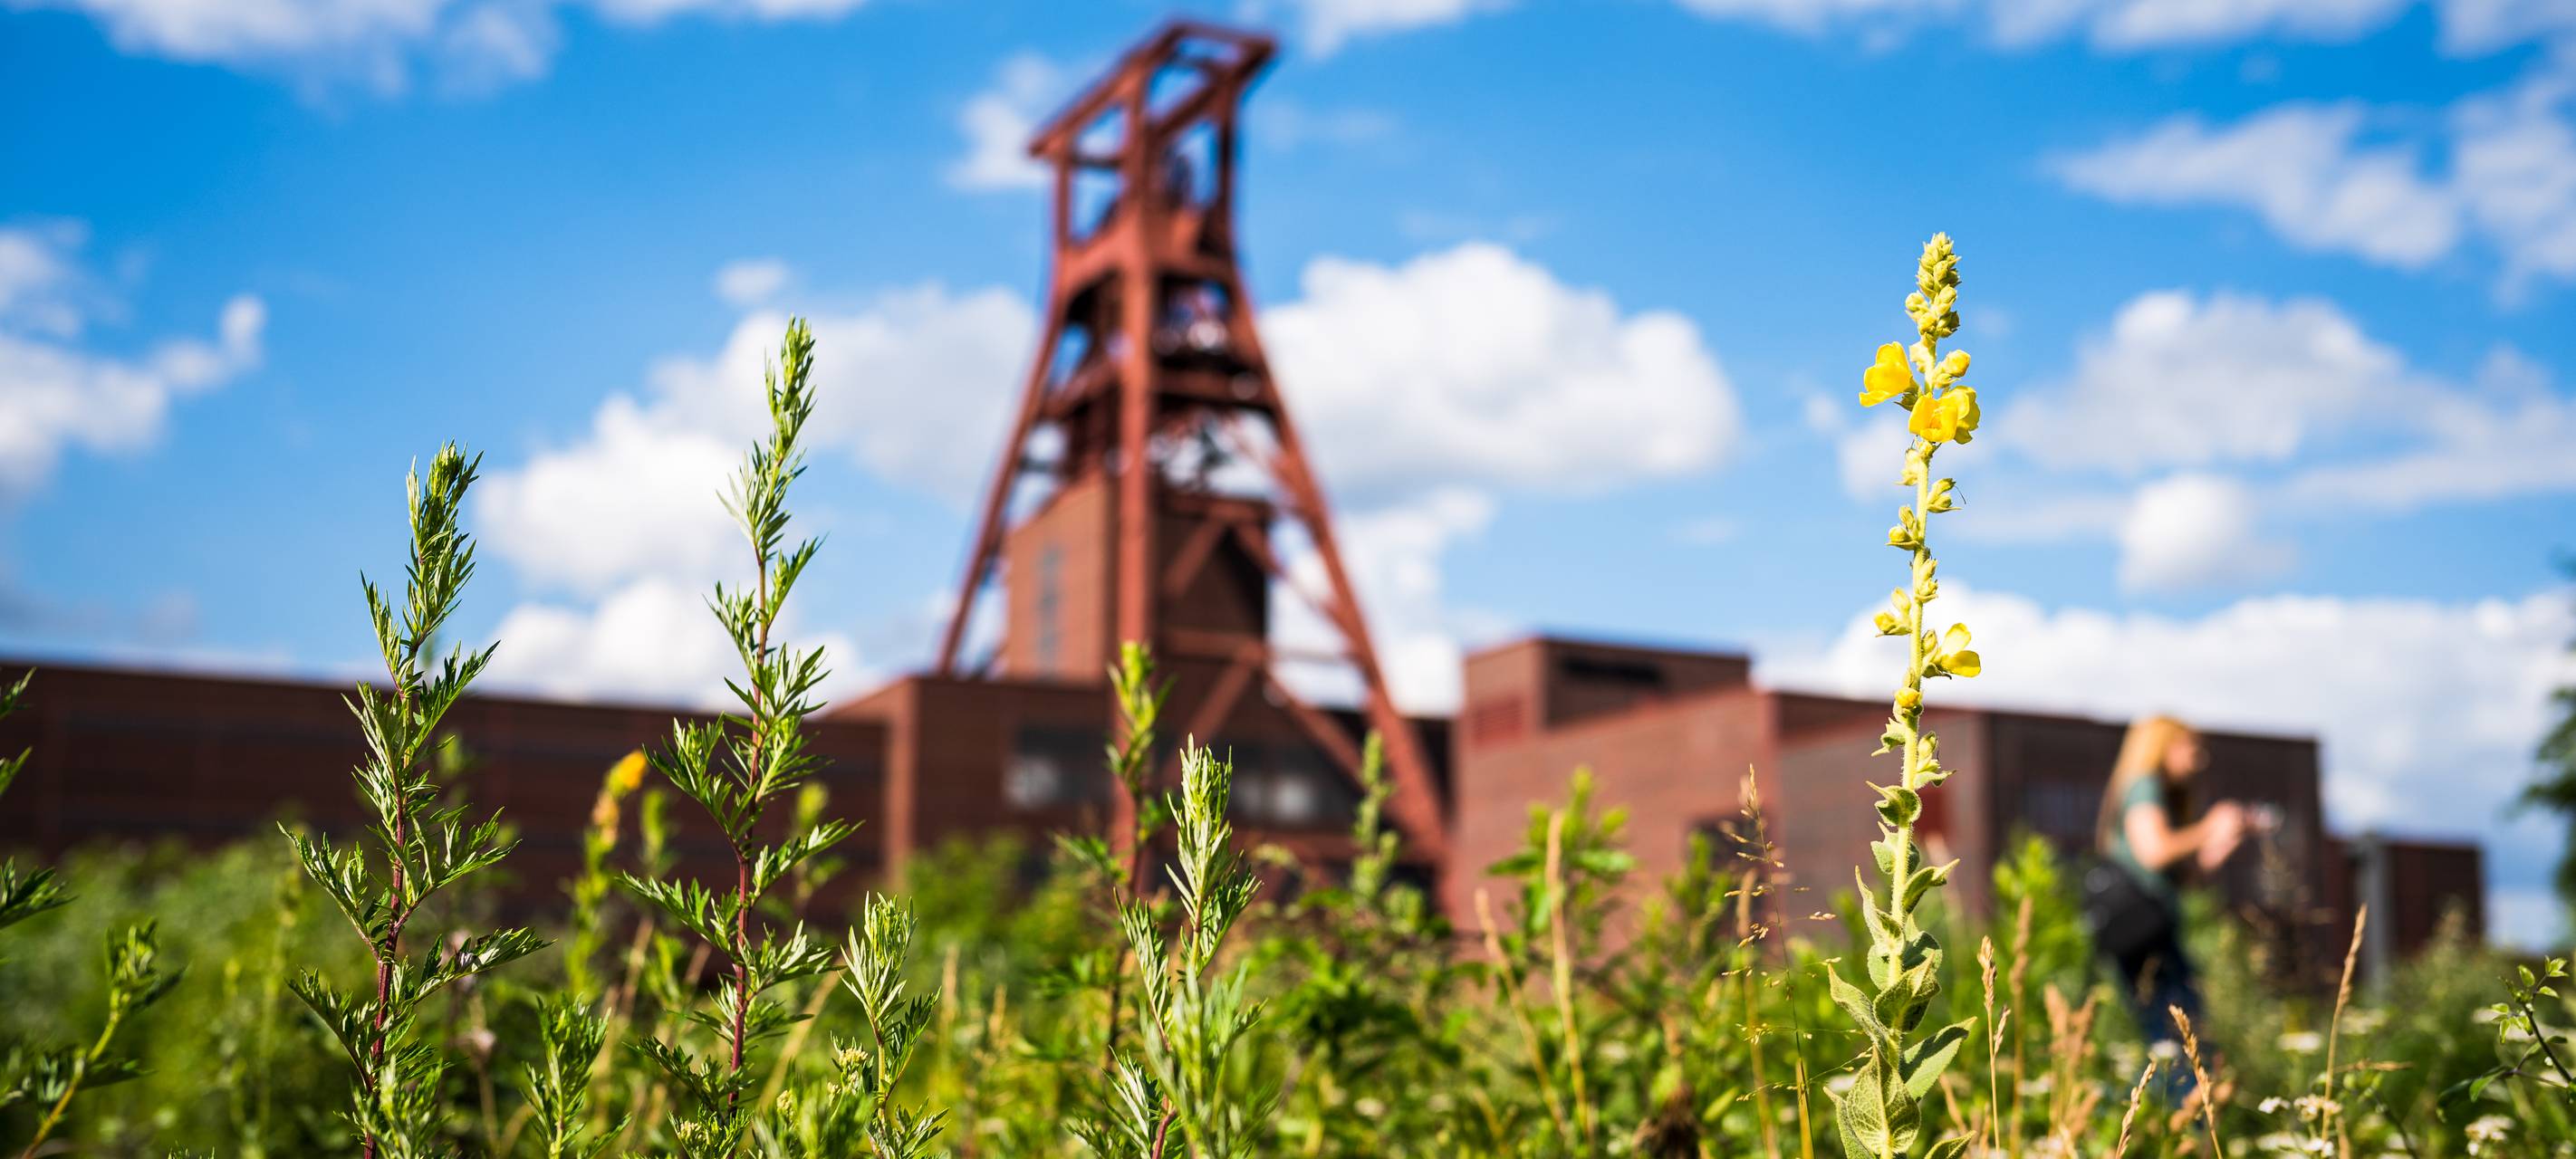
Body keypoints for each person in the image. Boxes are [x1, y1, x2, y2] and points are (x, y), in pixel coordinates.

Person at [2088, 714, 2247, 1067]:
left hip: (2154, 929)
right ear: (2163, 746)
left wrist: (2219, 845)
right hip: (2144, 935)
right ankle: (2185, 1099)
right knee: (2178, 1035)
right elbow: (2155, 851)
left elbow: (2182, 876)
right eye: (2191, 748)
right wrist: (2210, 826)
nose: (2199, 759)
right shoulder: (2144, 784)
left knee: (2178, 1033)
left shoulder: (2155, 791)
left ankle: (2184, 1096)